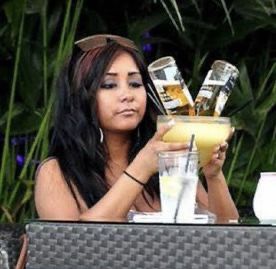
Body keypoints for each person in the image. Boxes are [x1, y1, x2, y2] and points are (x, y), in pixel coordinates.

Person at [35, 34, 239, 221]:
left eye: (135, 83)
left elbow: (230, 239)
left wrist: (214, 176)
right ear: (80, 96)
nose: (127, 95)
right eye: (109, 85)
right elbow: (74, 247)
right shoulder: (57, 172)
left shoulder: (170, 159)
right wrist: (141, 168)